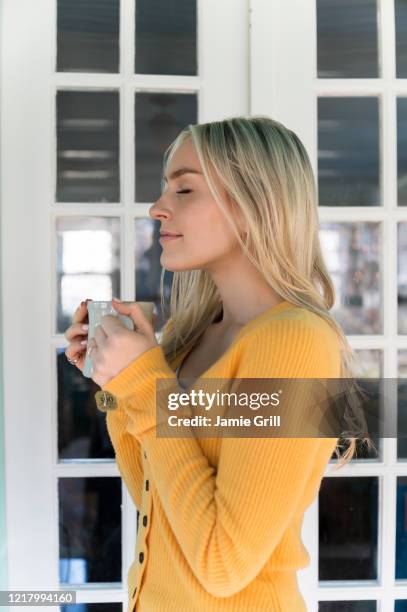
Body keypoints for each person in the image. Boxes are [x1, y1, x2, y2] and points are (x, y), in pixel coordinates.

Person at [64, 116, 374, 611]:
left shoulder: (295, 342)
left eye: (184, 190)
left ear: (256, 204)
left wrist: (144, 386)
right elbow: (159, 507)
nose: (157, 208)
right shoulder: (196, 341)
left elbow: (221, 565)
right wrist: (119, 385)